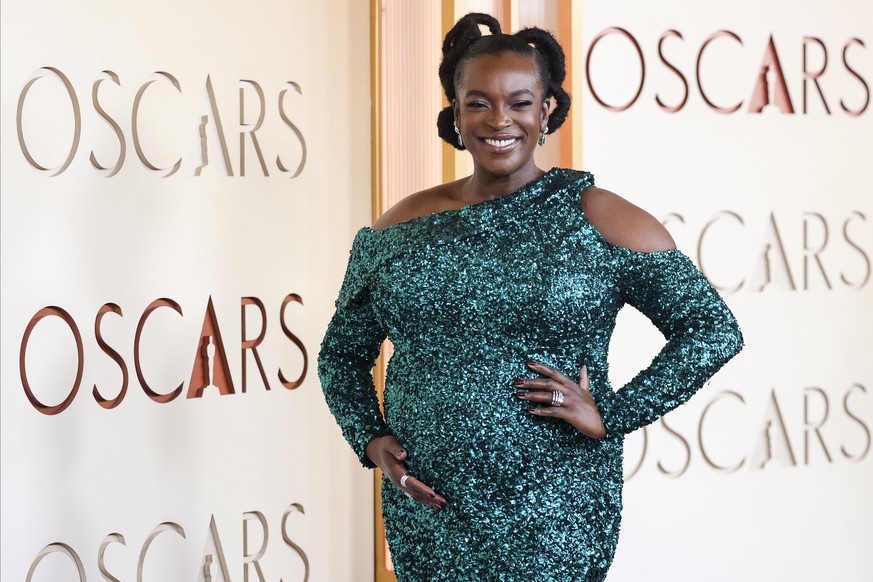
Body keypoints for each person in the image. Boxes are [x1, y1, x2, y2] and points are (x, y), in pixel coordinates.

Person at [318, 12, 743, 581]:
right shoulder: (399, 226)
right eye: (479, 102)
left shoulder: (596, 216)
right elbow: (341, 355)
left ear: (546, 111)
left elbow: (710, 330)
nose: (500, 120)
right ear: (456, 112)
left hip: (553, 512)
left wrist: (614, 413)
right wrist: (369, 438)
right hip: (432, 514)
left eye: (519, 103)